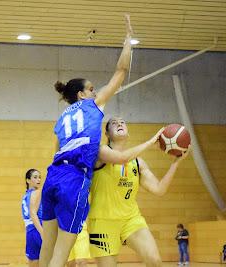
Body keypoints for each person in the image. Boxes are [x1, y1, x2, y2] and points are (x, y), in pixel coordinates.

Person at [39, 14, 134, 267]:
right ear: (82, 95)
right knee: (60, 254)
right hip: (73, 178)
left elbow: (54, 152)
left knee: (47, 249)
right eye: (91, 89)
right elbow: (121, 71)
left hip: (53, 176)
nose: (95, 91)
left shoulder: (61, 119)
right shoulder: (92, 105)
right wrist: (128, 40)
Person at [88, 117, 189, 267]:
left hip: (131, 220)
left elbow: (159, 189)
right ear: (107, 134)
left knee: (155, 261)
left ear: (128, 134)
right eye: (114, 123)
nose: (119, 123)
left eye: (123, 122)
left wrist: (176, 162)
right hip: (103, 222)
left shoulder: (138, 163)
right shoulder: (101, 152)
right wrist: (150, 142)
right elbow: (121, 158)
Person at [22, 169, 43, 267]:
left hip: (30, 231)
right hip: (38, 228)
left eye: (39, 177)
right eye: (35, 177)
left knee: (33, 263)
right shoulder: (37, 193)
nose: (38, 179)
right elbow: (33, 214)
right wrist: (42, 232)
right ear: (28, 180)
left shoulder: (25, 195)